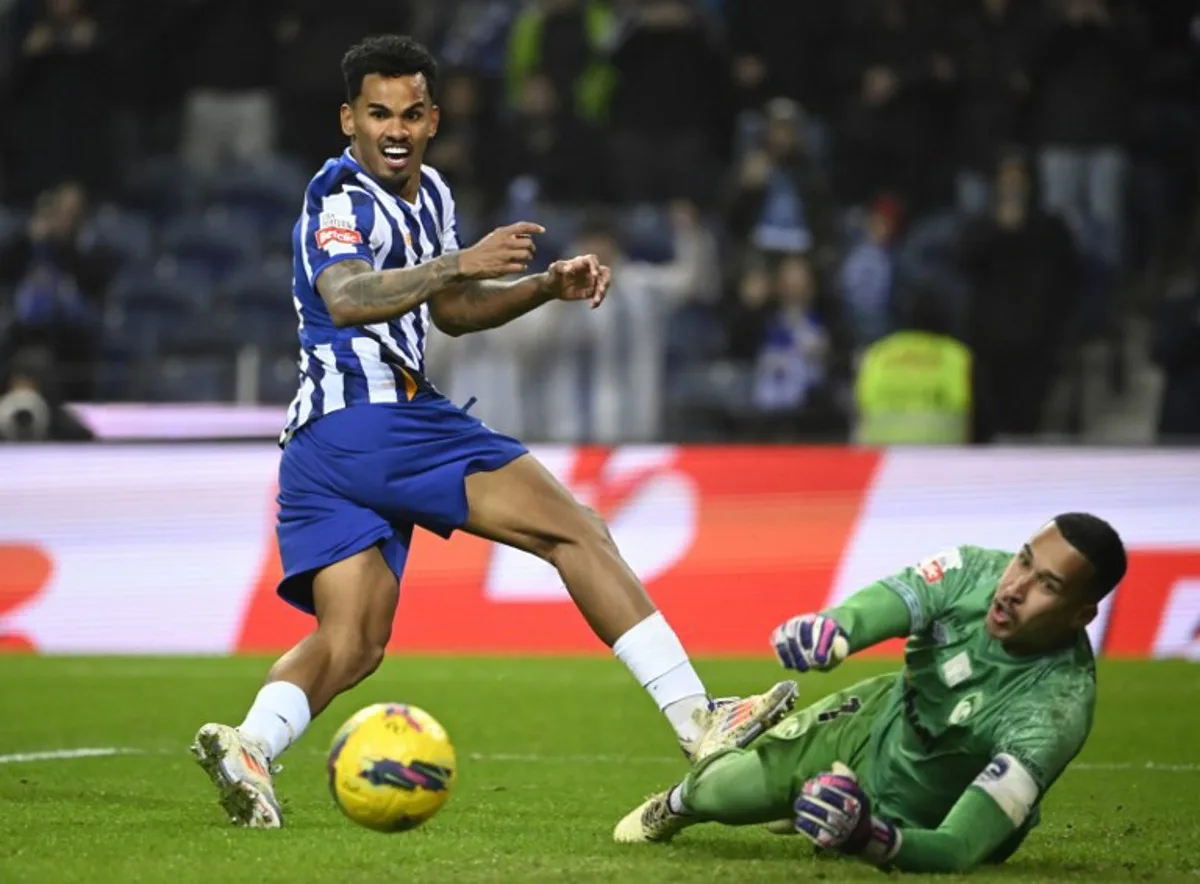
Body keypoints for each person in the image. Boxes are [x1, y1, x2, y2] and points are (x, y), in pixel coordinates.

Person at [190, 34, 797, 829]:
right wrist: (461, 262)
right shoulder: (339, 198)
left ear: (433, 119)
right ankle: (698, 719)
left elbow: (453, 311)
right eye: (377, 114)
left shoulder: (431, 195)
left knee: (355, 639)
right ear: (349, 119)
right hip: (375, 421)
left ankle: (251, 745)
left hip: (319, 449)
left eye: (411, 113)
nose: (395, 129)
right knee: (575, 530)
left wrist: (541, 286)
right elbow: (347, 295)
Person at [613, 513, 1127, 875]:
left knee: (846, 854)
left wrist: (870, 836)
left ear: (1082, 615)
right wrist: (833, 629)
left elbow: (958, 847)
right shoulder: (972, 572)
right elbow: (886, 603)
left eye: (1048, 586)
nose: (1014, 587)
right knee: (716, 794)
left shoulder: (1054, 711)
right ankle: (690, 788)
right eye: (1023, 560)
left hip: (921, 812)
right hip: (871, 723)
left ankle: (814, 805)